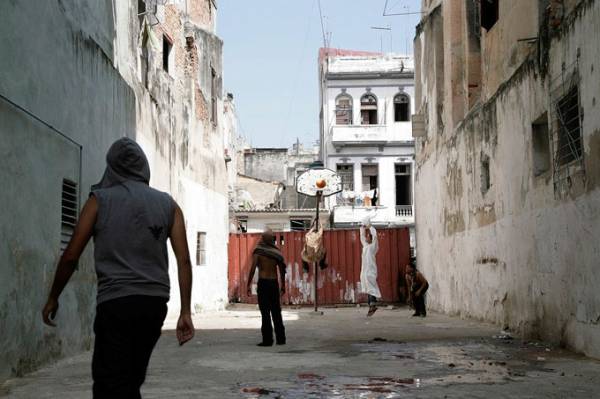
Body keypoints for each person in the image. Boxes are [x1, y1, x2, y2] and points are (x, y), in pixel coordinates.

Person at [41, 138, 194, 398]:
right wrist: (186, 311)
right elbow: (184, 261)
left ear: (112, 167)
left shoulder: (99, 201)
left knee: (109, 383)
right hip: (154, 305)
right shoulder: (169, 205)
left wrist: (54, 296)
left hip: (116, 303)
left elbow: (70, 256)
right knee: (130, 380)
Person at [247, 229, 286, 346]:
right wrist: (283, 285)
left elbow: (253, 268)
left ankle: (268, 340)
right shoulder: (277, 252)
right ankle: (281, 339)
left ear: (263, 239)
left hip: (263, 283)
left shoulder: (258, 251)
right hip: (274, 283)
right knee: (276, 311)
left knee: (265, 312)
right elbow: (282, 270)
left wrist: (248, 284)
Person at [359, 221, 381, 317]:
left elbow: (375, 236)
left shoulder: (373, 246)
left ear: (371, 239)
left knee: (371, 287)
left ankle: (373, 304)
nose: (367, 237)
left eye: (368, 236)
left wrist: (370, 226)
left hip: (371, 270)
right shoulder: (366, 246)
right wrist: (362, 228)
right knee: (368, 288)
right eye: (367, 236)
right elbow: (362, 237)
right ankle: (371, 306)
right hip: (365, 270)